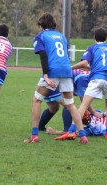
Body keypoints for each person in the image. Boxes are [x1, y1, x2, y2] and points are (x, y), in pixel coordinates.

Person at [24, 12, 88, 144]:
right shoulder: (62, 37)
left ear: (41, 24)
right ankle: (82, 136)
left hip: (53, 70)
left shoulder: (40, 36)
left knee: (36, 100)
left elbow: (43, 55)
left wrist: (46, 76)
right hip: (66, 70)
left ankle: (34, 136)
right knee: (71, 104)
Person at [57, 27, 107, 140]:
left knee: (83, 105)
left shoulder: (93, 48)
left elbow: (84, 63)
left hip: (97, 78)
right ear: (106, 38)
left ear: (94, 37)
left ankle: (72, 131)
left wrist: (70, 68)